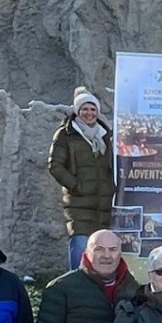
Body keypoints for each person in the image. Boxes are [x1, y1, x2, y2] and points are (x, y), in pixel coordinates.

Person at [48, 87, 116, 270]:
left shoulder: (106, 136)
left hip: (102, 206)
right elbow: (55, 165)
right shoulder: (66, 134)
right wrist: (76, 186)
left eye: (93, 109)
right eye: (85, 109)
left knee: (101, 255)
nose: (89, 113)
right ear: (78, 111)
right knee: (80, 250)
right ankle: (75, 291)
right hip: (78, 205)